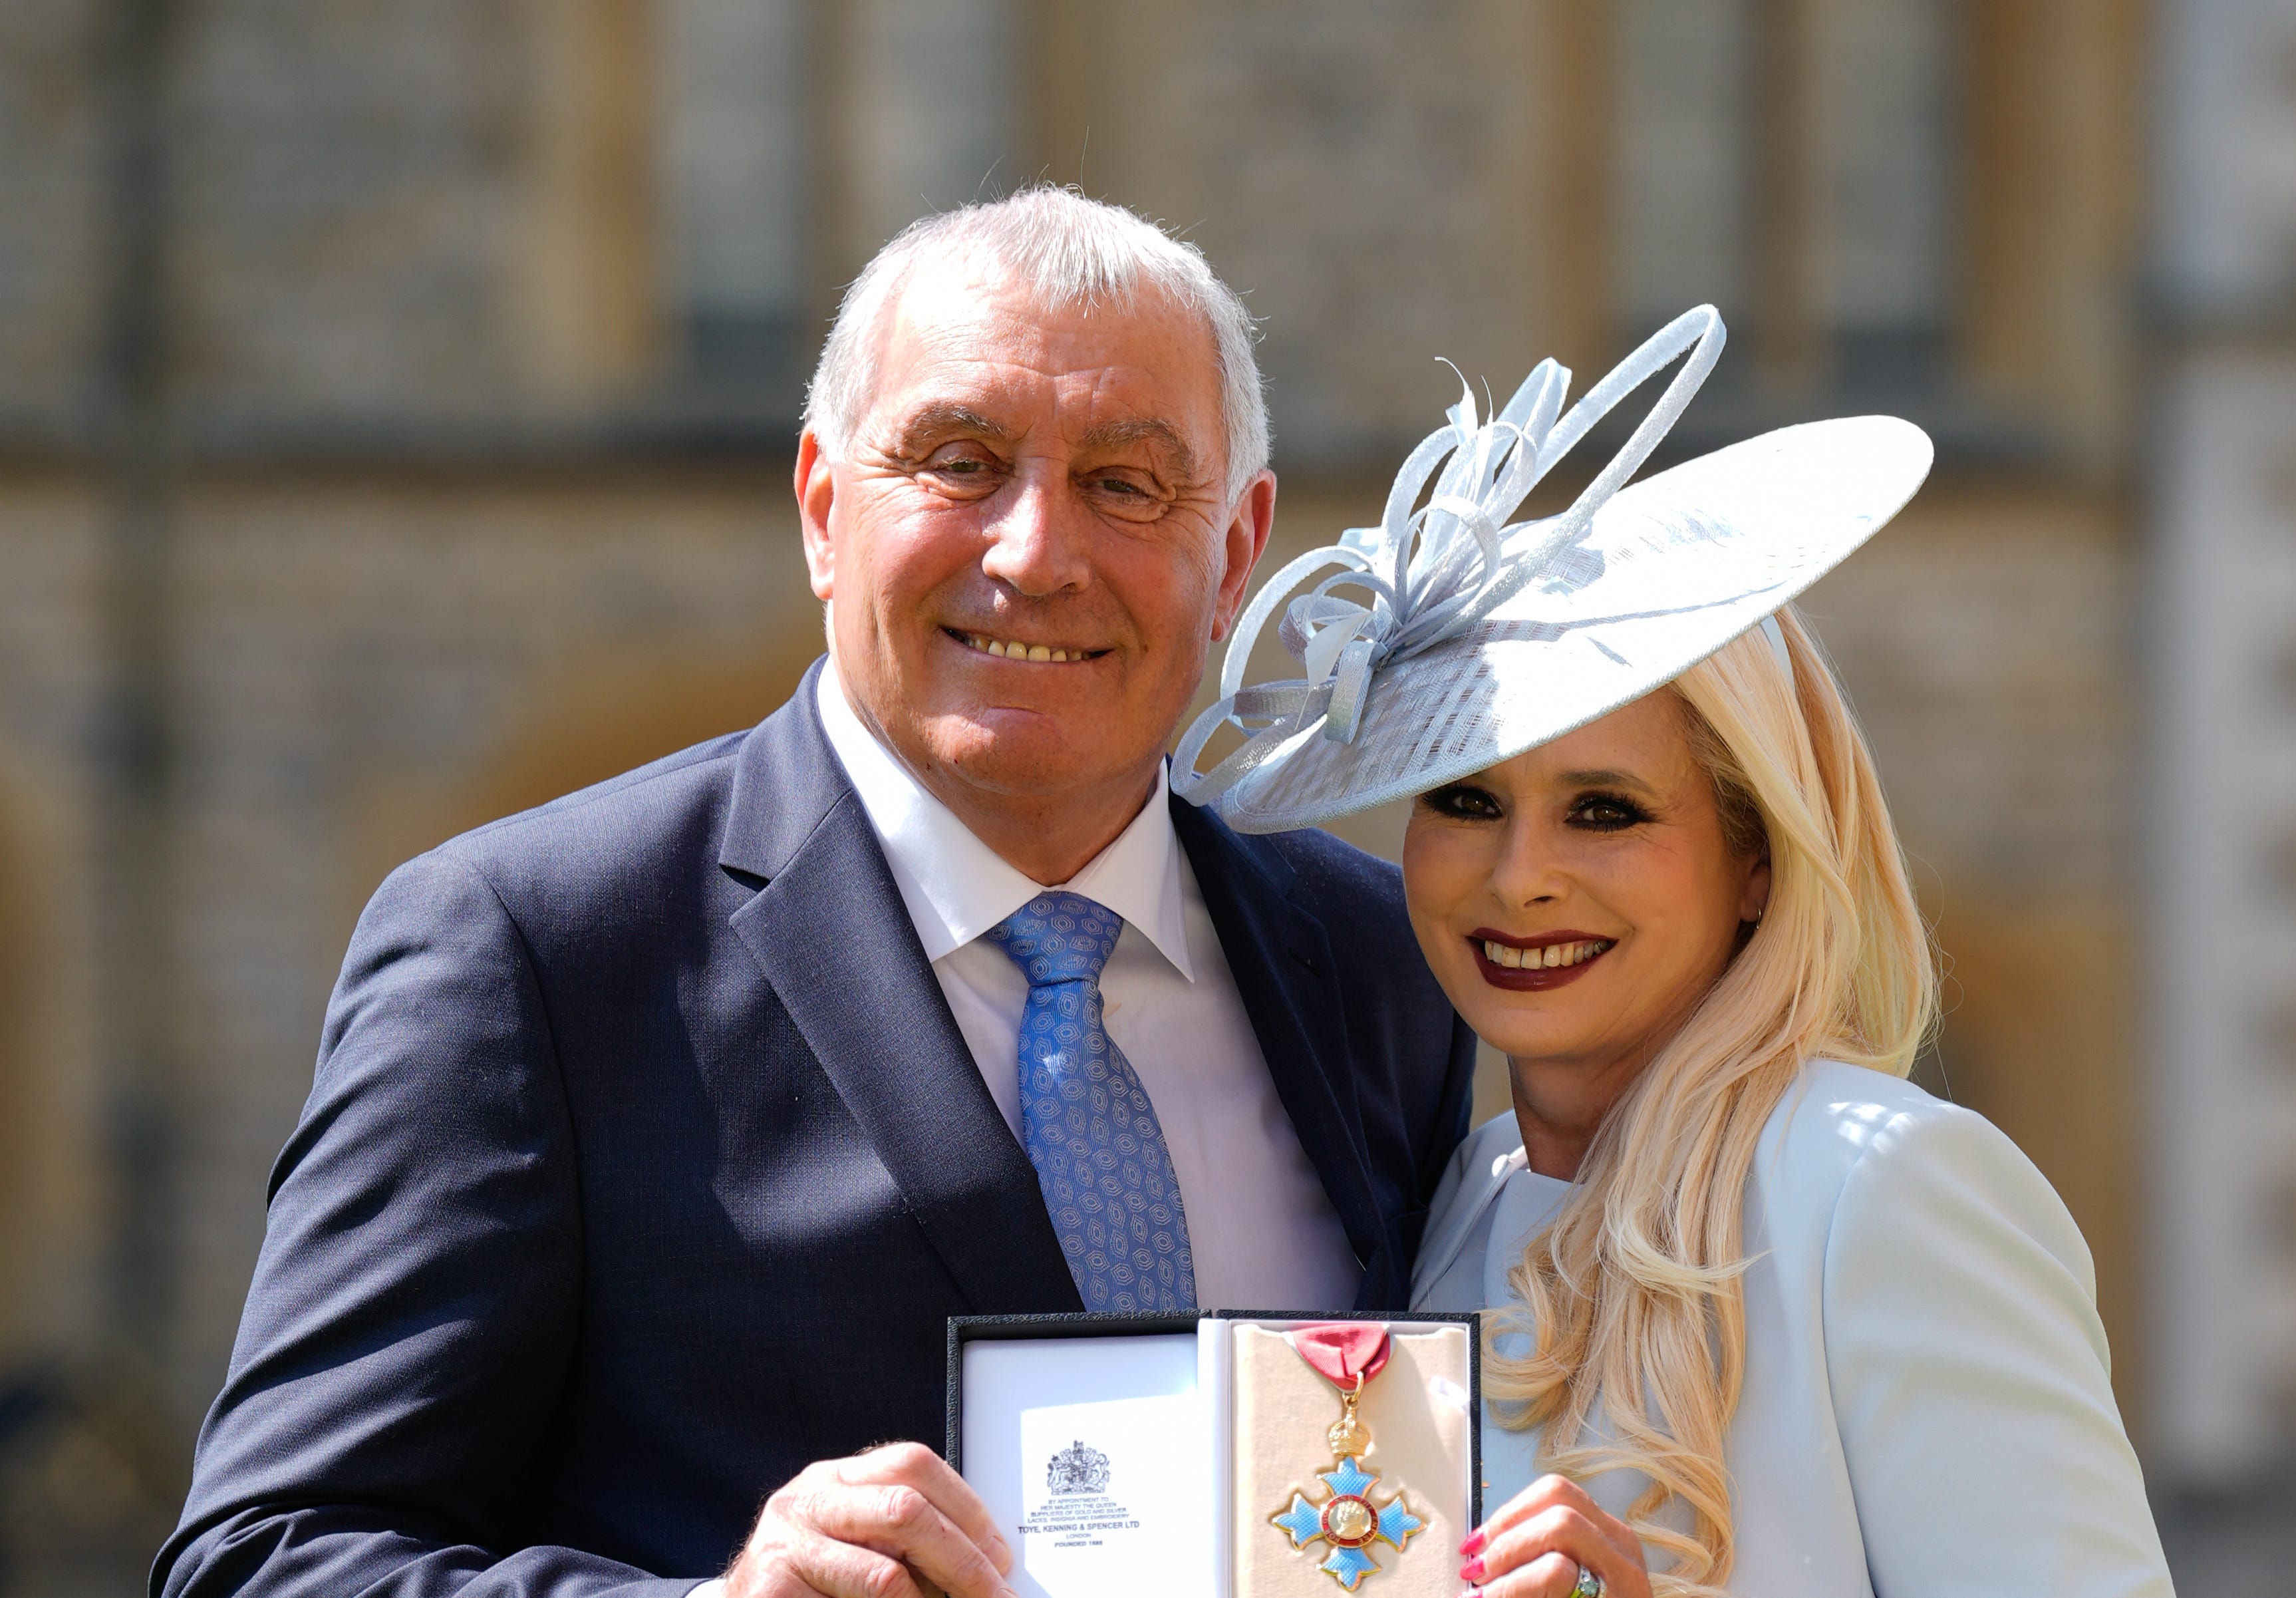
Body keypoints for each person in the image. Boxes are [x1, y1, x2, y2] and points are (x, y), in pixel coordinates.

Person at [154, 188, 1477, 1598]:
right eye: (959, 461)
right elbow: (261, 1562)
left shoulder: (1381, 963)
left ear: (1233, 554)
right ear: (822, 509)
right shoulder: (533, 952)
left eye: (1127, 481)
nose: (1034, 553)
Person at [1177, 308, 2175, 1595]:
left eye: (1608, 811)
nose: (1520, 874)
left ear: (1756, 858)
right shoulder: (1456, 1200)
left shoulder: (1883, 1190)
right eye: (1468, 800)